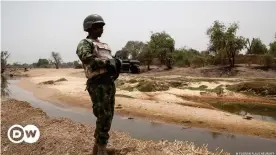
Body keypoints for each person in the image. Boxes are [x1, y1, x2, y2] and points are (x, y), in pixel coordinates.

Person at [76, 14, 121, 155]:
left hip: (108, 83)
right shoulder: (85, 43)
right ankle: (101, 149)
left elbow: (110, 61)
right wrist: (108, 63)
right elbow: (87, 59)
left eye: (102, 26)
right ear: (90, 27)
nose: (101, 29)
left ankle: (98, 148)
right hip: (97, 84)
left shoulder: (104, 45)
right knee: (103, 115)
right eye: (98, 26)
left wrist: (116, 65)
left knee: (108, 116)